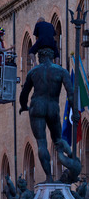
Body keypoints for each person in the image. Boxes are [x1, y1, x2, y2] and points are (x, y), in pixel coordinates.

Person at [19, 47, 80, 183]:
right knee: (58, 139)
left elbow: (24, 94)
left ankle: (48, 177)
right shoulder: (61, 71)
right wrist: (75, 112)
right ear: (52, 57)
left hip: (37, 106)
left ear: (40, 57)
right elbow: (71, 94)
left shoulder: (33, 72)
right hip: (52, 107)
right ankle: (71, 156)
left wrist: (24, 106)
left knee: (41, 142)